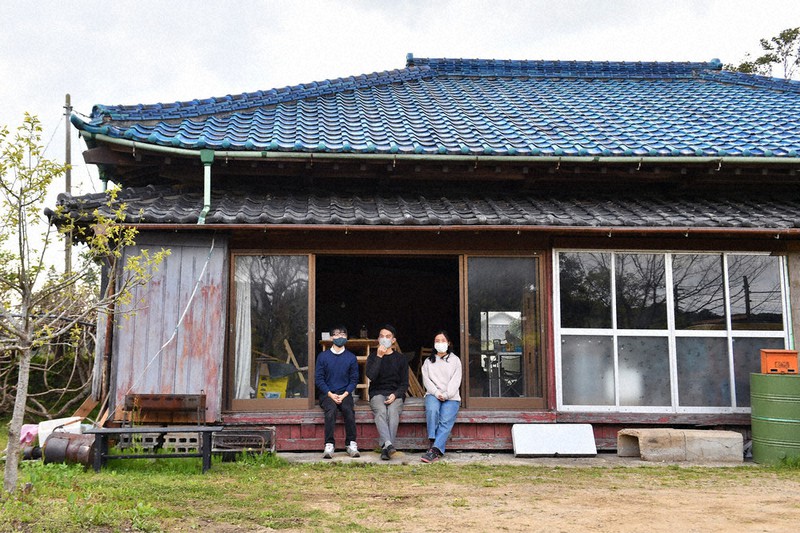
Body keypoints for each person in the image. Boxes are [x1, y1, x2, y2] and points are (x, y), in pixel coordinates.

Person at [315, 326, 360, 459]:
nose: (339, 337)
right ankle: (329, 444)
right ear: (331, 338)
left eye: (342, 334)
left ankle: (351, 444)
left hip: (345, 393)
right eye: (336, 334)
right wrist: (330, 394)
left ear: (346, 337)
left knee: (348, 410)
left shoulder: (351, 357)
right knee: (331, 410)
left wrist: (345, 394)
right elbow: (319, 379)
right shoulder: (323, 357)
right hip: (327, 394)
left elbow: (354, 379)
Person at [365, 324, 408, 460]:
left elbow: (404, 384)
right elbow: (371, 376)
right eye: (382, 336)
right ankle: (389, 445)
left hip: (395, 393)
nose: (384, 339)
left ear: (393, 340)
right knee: (381, 411)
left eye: (388, 336)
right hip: (377, 392)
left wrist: (395, 395)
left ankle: (386, 447)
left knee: (393, 412)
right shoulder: (372, 357)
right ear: (378, 339)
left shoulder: (401, 359)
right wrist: (379, 356)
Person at [420, 330, 462, 463]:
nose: (440, 343)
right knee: (432, 410)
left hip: (451, 396)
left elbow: (456, 380)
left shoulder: (455, 360)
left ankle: (434, 449)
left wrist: (446, 394)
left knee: (445, 420)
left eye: (443, 341)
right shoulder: (428, 361)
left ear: (448, 343)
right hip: (433, 393)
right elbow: (426, 381)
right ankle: (434, 440)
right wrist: (437, 393)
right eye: (437, 341)